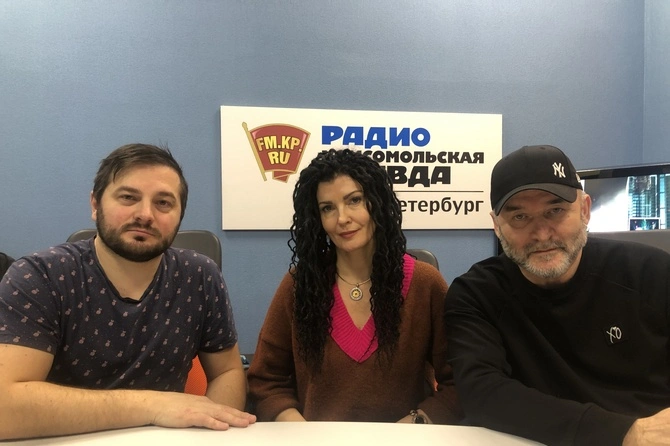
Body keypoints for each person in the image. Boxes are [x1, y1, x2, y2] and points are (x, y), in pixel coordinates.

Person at [0, 143, 255, 440]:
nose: (145, 214)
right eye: (128, 197)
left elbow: (227, 372)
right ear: (95, 205)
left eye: (163, 203)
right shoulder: (40, 276)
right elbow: (5, 407)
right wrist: (153, 405)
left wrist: (211, 432)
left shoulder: (200, 276)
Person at [444, 144, 670, 445]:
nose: (541, 234)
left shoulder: (653, 273)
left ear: (585, 210)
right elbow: (482, 393)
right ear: (496, 226)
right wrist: (626, 433)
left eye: (555, 211)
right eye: (520, 217)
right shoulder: (475, 294)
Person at [247, 148, 462, 424]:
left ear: (377, 202)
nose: (342, 218)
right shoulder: (299, 285)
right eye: (327, 208)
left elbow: (459, 383)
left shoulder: (426, 283)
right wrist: (302, 433)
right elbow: (265, 381)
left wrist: (411, 428)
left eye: (354, 200)